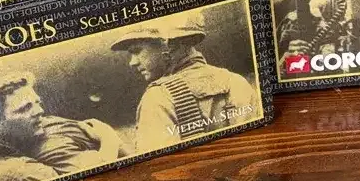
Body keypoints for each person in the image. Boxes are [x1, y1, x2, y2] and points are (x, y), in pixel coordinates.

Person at [110, 14, 258, 153]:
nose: (132, 62)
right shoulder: (235, 81)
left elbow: (160, 164)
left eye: (137, 51)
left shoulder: (158, 97)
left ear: (168, 45)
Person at [0, 71, 128, 181]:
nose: (40, 111)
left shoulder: (30, 134)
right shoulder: (21, 173)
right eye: (25, 108)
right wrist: (108, 137)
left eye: (37, 103)